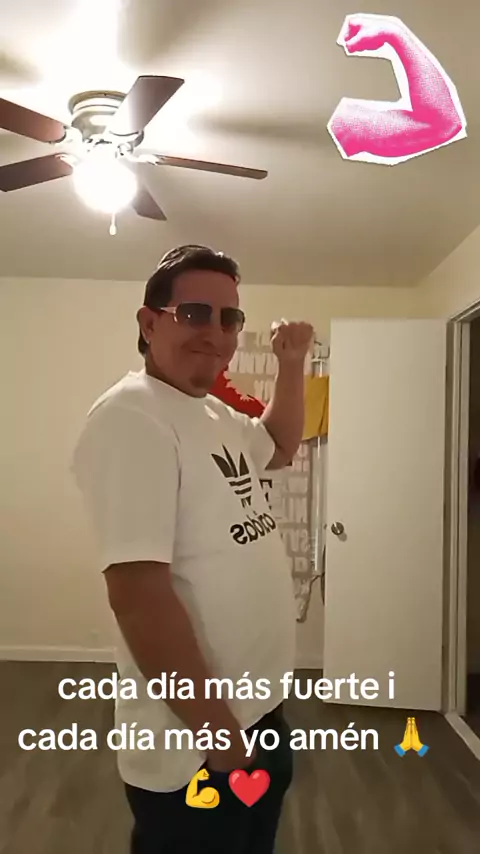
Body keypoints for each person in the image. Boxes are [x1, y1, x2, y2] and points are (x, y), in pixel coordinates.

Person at [71, 244, 313, 854]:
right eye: (194, 313)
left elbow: (280, 446)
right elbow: (138, 596)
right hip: (197, 747)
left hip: (255, 716)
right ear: (149, 323)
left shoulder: (211, 414)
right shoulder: (131, 416)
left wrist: (291, 364)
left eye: (230, 318)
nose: (216, 333)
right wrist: (220, 737)